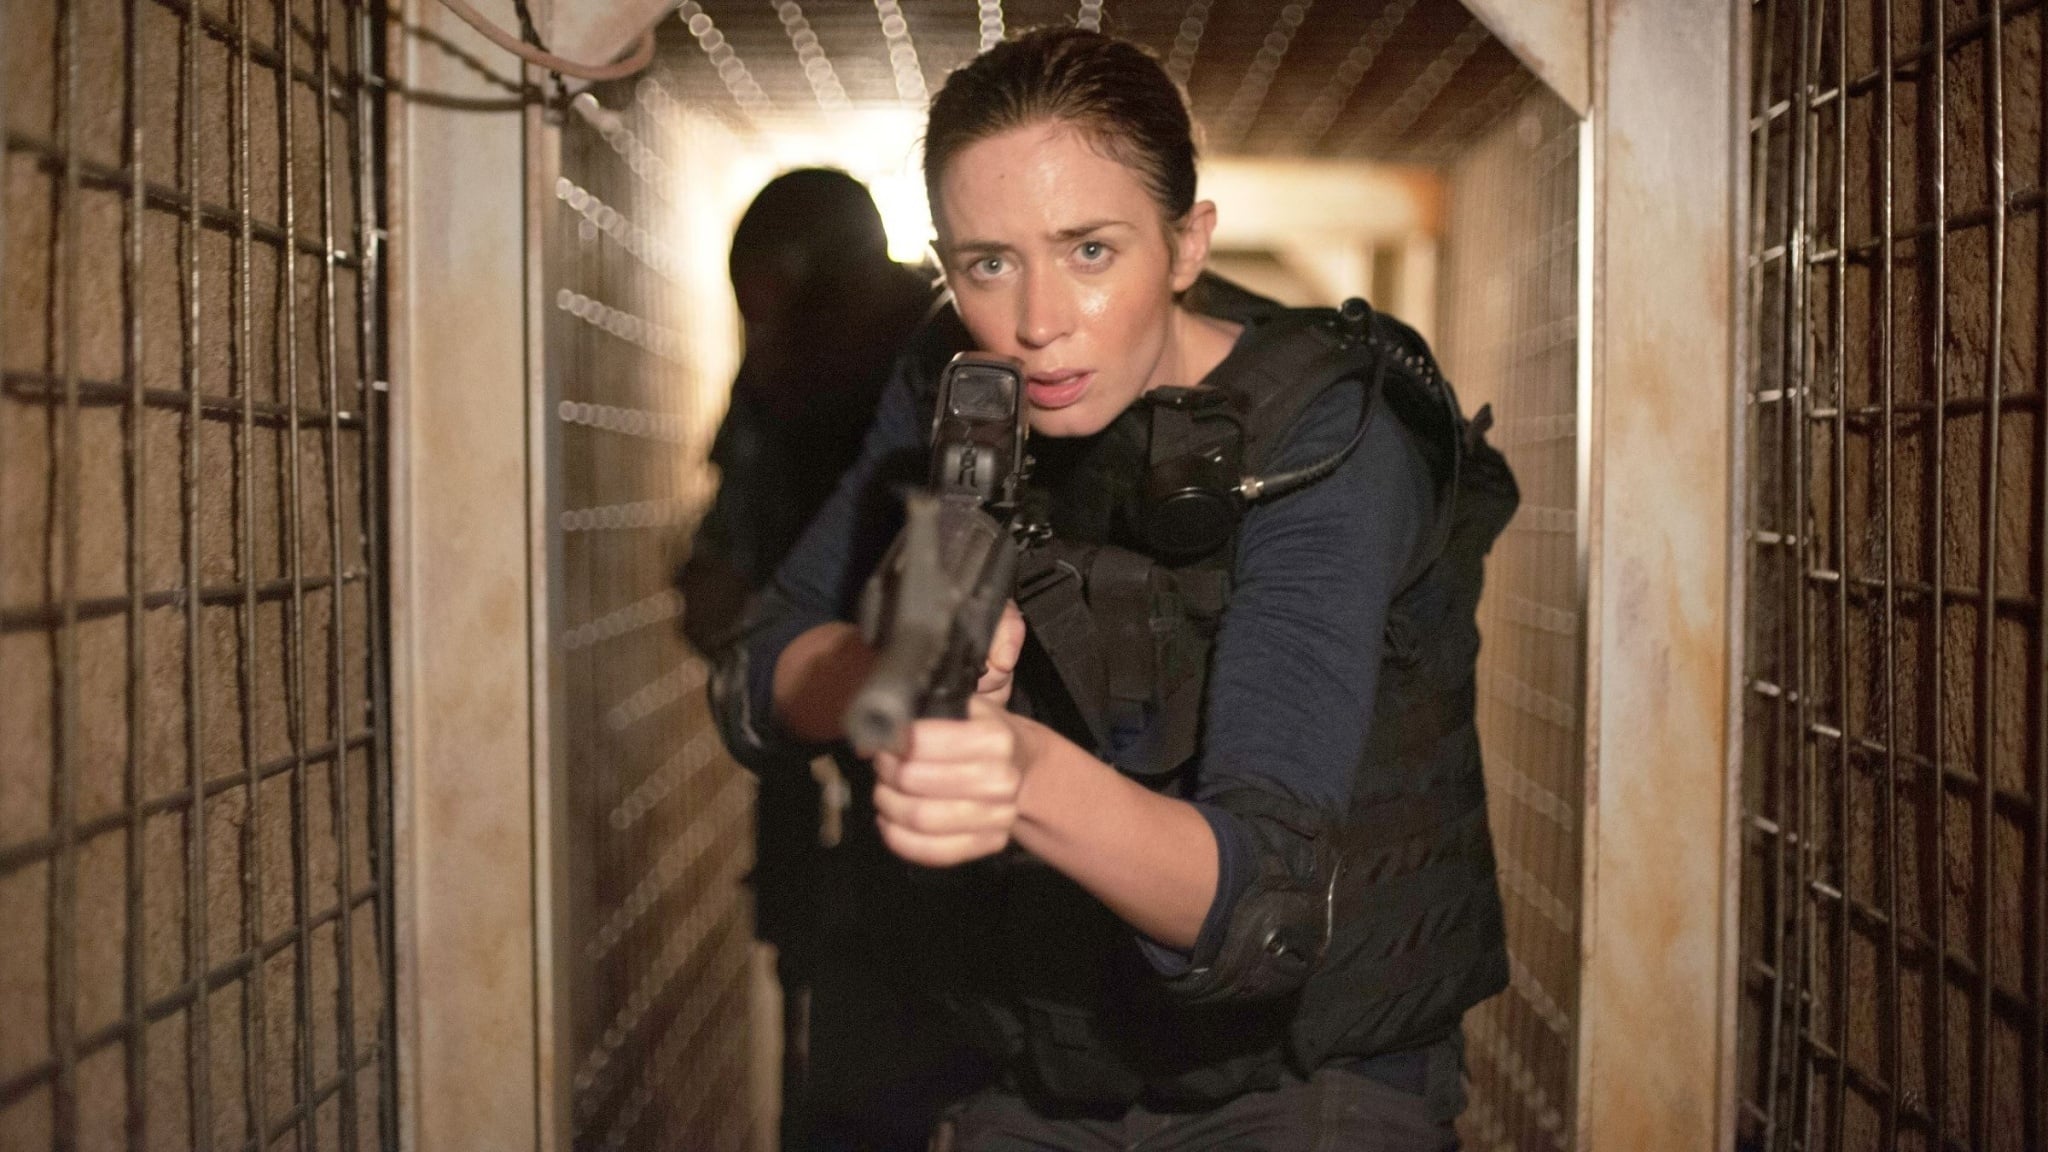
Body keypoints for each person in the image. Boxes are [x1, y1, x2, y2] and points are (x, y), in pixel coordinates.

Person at [713, 27, 1518, 1151]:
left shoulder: (1325, 441)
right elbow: (759, 666)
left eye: (1090, 251)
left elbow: (1262, 909)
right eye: (988, 264)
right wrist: (888, 674)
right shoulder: (955, 378)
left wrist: (1016, 773)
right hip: (1039, 1067)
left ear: (1187, 244)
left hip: (1302, 1080)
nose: (1039, 323)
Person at [680, 168, 963, 1151]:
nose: (763, 338)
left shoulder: (944, 367)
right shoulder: (781, 383)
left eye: (780, 310)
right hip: (844, 804)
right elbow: (720, 571)